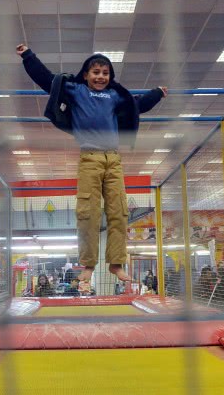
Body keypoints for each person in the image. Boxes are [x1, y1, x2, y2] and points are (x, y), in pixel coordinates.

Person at [18, 43, 167, 283]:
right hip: (89, 159)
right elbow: (46, 79)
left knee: (118, 212)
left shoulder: (115, 95)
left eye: (105, 73)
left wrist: (157, 93)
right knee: (88, 213)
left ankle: (116, 264)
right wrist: (28, 56)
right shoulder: (77, 90)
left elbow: (137, 105)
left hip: (114, 160)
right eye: (96, 72)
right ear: (86, 74)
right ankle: (88, 265)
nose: (100, 77)